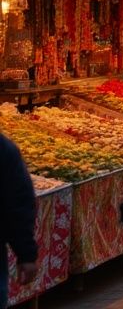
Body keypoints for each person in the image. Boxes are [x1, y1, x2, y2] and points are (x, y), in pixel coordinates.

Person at [1, 128, 37, 308]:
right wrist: (26, 254)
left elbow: (17, 203)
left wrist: (26, 253)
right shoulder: (4, 149)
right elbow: (18, 204)